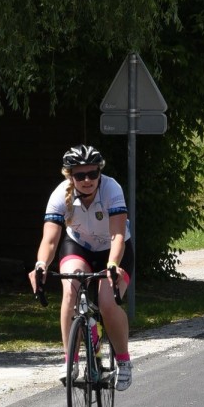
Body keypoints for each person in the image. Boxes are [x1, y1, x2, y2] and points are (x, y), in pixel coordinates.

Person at [28, 145, 134, 391]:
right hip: (79, 247)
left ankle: (124, 361)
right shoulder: (59, 195)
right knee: (69, 292)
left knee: (108, 303)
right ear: (69, 176)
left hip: (113, 250)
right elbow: (51, 240)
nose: (87, 180)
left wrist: (112, 264)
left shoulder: (111, 189)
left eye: (93, 174)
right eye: (80, 175)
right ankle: (71, 361)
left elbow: (118, 235)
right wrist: (41, 264)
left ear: (100, 172)